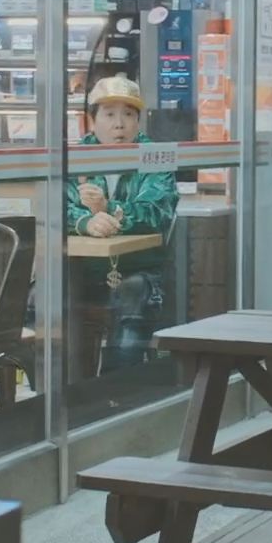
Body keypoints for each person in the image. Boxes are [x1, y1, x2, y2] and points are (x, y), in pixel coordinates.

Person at [66, 75, 178, 376]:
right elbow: (54, 207)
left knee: (132, 293)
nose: (119, 124)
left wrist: (112, 211)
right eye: (109, 114)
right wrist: (85, 222)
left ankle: (114, 392)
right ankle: (57, 392)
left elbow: (156, 211)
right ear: (92, 120)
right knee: (40, 296)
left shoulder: (155, 158)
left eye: (128, 114)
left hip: (140, 269)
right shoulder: (74, 158)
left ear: (138, 121)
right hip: (83, 270)